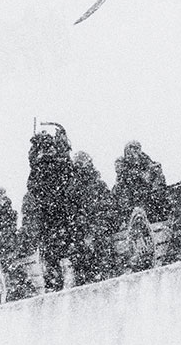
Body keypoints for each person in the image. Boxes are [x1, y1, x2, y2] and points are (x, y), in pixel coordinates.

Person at [24, 124, 77, 291]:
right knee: (63, 250)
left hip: (52, 215)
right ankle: (63, 280)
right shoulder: (58, 164)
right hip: (58, 214)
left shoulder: (42, 167)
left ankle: (55, 283)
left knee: (53, 253)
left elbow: (33, 186)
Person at [66, 151, 120, 285]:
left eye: (83, 162)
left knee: (100, 246)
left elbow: (110, 207)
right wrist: (83, 229)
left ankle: (101, 273)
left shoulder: (97, 185)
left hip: (98, 228)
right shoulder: (74, 189)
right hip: (84, 232)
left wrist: (101, 224)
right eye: (79, 163)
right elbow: (72, 215)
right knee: (82, 253)